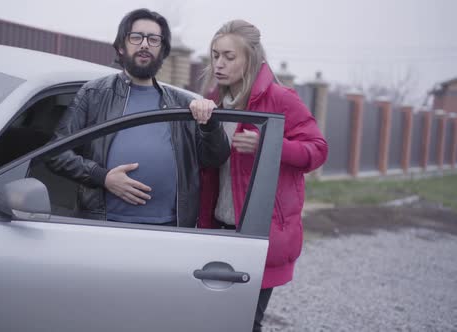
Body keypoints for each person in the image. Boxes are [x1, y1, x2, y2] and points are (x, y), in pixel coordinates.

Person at [192, 20, 328, 331]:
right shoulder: (212, 103)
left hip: (257, 233)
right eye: (215, 56)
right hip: (218, 229)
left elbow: (318, 150)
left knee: (244, 323)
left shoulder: (281, 99)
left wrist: (268, 143)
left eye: (229, 56)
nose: (219, 64)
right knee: (212, 321)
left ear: (251, 59)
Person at [48, 8, 230, 227]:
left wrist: (209, 123)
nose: (144, 44)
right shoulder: (94, 94)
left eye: (153, 39)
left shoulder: (183, 104)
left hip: (172, 229)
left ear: (163, 50)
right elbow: (55, 153)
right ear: (122, 47)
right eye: (136, 37)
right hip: (103, 227)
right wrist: (102, 177)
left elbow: (215, 158)